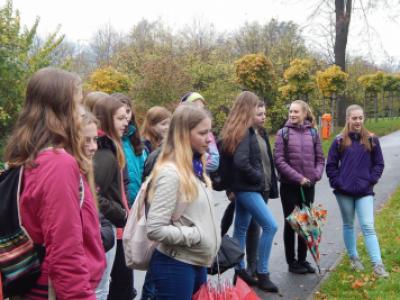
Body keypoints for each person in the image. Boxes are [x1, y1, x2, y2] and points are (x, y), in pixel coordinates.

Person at [4, 67, 106, 299]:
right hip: (53, 289)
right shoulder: (57, 163)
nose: (81, 112)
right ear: (61, 109)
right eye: (77, 103)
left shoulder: (27, 154)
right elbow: (65, 248)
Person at [146, 103, 221, 300]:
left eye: (210, 132)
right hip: (176, 266)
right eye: (202, 133)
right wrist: (195, 235)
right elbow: (154, 228)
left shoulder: (195, 167)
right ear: (183, 135)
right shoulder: (171, 173)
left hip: (196, 262)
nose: (209, 138)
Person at [220, 91, 278, 293]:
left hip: (241, 188)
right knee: (271, 226)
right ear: (248, 109)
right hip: (247, 189)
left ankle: (240, 271)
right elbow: (240, 162)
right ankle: (262, 273)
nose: (259, 111)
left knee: (241, 229)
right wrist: (259, 177)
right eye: (256, 107)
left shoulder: (241, 130)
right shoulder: (245, 132)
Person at [326, 104, 388, 278]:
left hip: (364, 191)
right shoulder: (339, 141)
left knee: (368, 225)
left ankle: (378, 264)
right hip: (343, 192)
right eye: (354, 118)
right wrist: (338, 182)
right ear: (348, 119)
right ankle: (354, 258)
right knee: (348, 224)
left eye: (361, 118)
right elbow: (331, 165)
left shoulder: (371, 140)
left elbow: (379, 164)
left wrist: (371, 180)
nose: (358, 121)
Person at [273, 100, 325, 275]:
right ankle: (292, 262)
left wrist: (314, 176)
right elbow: (279, 161)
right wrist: (298, 178)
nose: (292, 114)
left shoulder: (313, 133)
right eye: (291, 112)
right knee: (292, 223)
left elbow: (320, 159)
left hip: (309, 185)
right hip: (289, 186)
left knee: (306, 223)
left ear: (304, 113)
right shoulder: (283, 134)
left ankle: (303, 260)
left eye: (296, 112)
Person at [92, 96, 134, 300]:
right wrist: (122, 214)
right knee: (104, 289)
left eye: (126, 116)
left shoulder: (110, 149)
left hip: (114, 227)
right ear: (107, 119)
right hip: (109, 228)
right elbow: (92, 194)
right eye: (120, 118)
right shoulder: (105, 155)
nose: (126, 121)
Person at [80, 110, 116, 299]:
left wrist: (103, 229)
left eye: (95, 139)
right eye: (87, 140)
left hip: (93, 265)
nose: (93, 147)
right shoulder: (69, 176)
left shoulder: (85, 173)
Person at [180, 92, 219, 173]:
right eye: (196, 107)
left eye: (202, 108)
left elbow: (215, 161)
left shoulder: (208, 132)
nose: (200, 111)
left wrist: (200, 161)